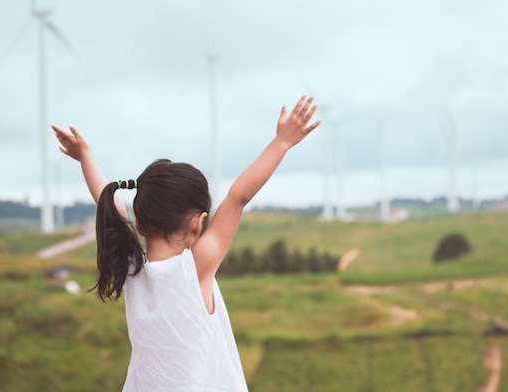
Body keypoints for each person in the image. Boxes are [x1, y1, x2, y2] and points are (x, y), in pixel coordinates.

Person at [51, 95, 321, 391]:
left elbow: (110, 200)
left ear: (139, 224)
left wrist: (86, 156)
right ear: (199, 223)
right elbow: (238, 197)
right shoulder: (195, 269)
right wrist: (282, 142)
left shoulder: (132, 269)